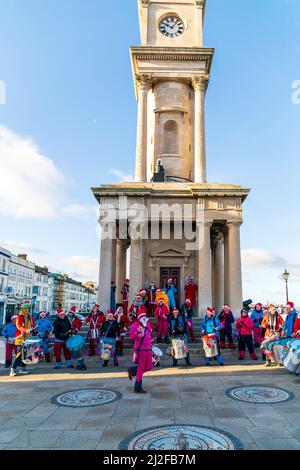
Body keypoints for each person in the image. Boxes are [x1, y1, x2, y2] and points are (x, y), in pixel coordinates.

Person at [128, 311, 154, 393]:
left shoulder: (148, 324)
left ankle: (132, 370)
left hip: (148, 348)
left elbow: (149, 335)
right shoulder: (135, 325)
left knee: (149, 366)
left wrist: (151, 345)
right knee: (141, 368)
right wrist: (138, 333)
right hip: (140, 349)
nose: (144, 318)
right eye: (142, 316)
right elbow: (131, 337)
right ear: (139, 318)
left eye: (145, 316)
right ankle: (138, 388)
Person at [10, 304, 36, 377]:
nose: (26, 310)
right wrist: (27, 330)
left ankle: (22, 368)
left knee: (27, 354)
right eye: (24, 309)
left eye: (27, 309)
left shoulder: (30, 317)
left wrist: (34, 330)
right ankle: (13, 369)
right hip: (20, 338)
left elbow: (33, 325)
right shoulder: (19, 317)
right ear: (22, 309)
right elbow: (19, 326)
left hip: (28, 339)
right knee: (19, 354)